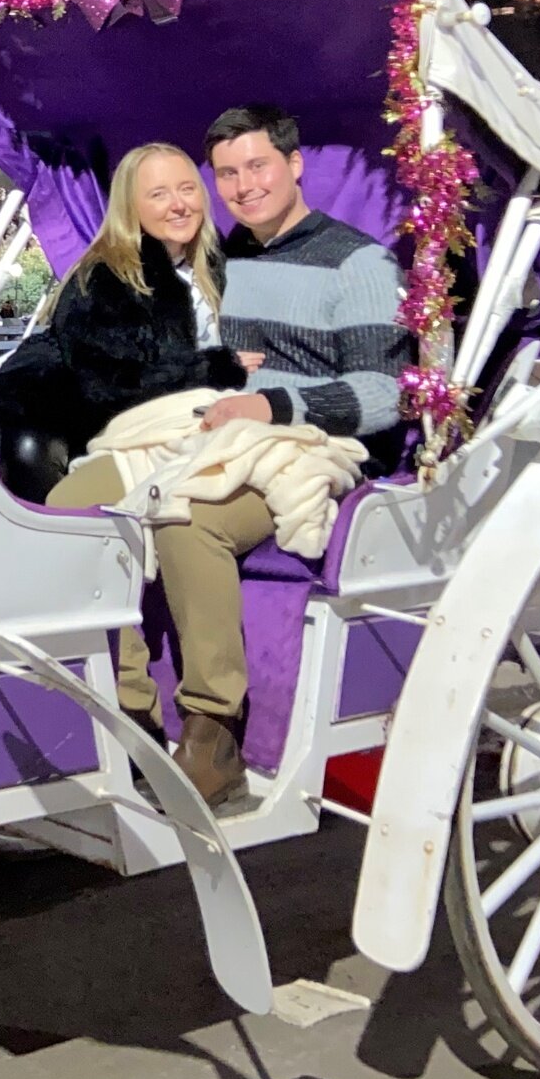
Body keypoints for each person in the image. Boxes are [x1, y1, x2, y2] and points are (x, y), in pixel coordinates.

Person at [48, 104, 407, 808]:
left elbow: (384, 392)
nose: (244, 186)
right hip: (204, 430)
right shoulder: (219, 258)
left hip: (304, 442)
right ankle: (126, 708)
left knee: (189, 518)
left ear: (295, 164)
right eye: (228, 174)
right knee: (77, 504)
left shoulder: (359, 261)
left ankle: (215, 732)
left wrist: (272, 405)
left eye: (259, 166)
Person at [0, 143, 251, 503]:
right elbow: (109, 384)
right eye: (158, 194)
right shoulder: (104, 278)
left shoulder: (219, 265)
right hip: (74, 416)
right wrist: (212, 369)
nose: (179, 205)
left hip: (185, 417)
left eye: (187, 189)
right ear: (130, 206)